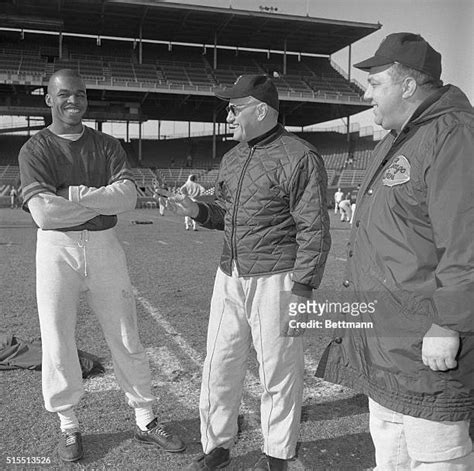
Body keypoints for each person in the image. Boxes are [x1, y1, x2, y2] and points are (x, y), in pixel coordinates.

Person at [317, 33, 474, 469]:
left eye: (376, 83)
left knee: (437, 457)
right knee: (391, 455)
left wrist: (448, 323)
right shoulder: (394, 141)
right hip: (387, 342)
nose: (366, 93)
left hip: (426, 346)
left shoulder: (454, 136)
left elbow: (466, 240)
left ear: (408, 86)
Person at [18, 69, 185, 463]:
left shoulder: (108, 145)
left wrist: (71, 195)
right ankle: (69, 424)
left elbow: (126, 198)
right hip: (56, 249)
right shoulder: (35, 148)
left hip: (105, 246)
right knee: (57, 336)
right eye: (63, 94)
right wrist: (95, 198)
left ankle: (145, 418)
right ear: (49, 99)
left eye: (79, 94)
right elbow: (43, 212)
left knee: (125, 333)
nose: (72, 101)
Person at [168, 74, 331, 470]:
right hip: (229, 274)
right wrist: (199, 212)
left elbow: (314, 227)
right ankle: (217, 444)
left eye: (234, 107)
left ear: (261, 110)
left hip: (278, 277)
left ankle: (277, 454)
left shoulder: (300, 155)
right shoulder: (233, 157)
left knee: (279, 370)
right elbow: (226, 215)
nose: (227, 115)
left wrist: (304, 287)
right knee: (219, 363)